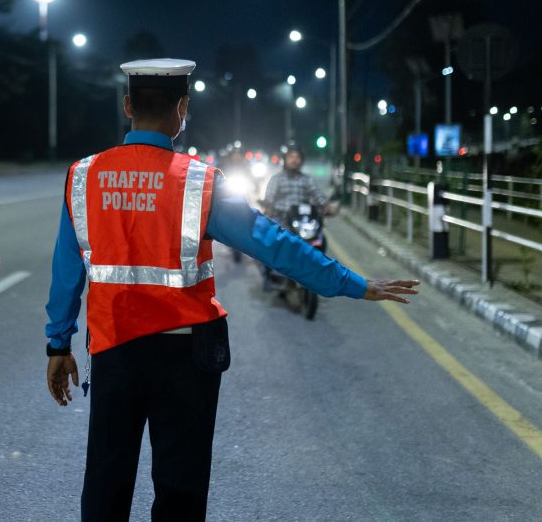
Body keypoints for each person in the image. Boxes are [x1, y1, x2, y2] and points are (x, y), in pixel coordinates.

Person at [44, 58, 419, 521]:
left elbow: (66, 271)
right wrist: (353, 283)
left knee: (105, 483)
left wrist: (57, 343)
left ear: (127, 106)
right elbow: (273, 244)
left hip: (113, 355)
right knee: (180, 491)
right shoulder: (198, 181)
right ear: (182, 109)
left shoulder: (84, 176)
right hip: (185, 361)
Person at [261, 144, 330, 220]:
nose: (294, 160)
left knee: (319, 230)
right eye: (291, 157)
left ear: (301, 160)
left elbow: (317, 193)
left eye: (297, 157)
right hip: (281, 218)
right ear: (285, 160)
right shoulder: (276, 179)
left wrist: (325, 205)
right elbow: (269, 197)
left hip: (302, 218)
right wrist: (268, 207)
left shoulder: (307, 179)